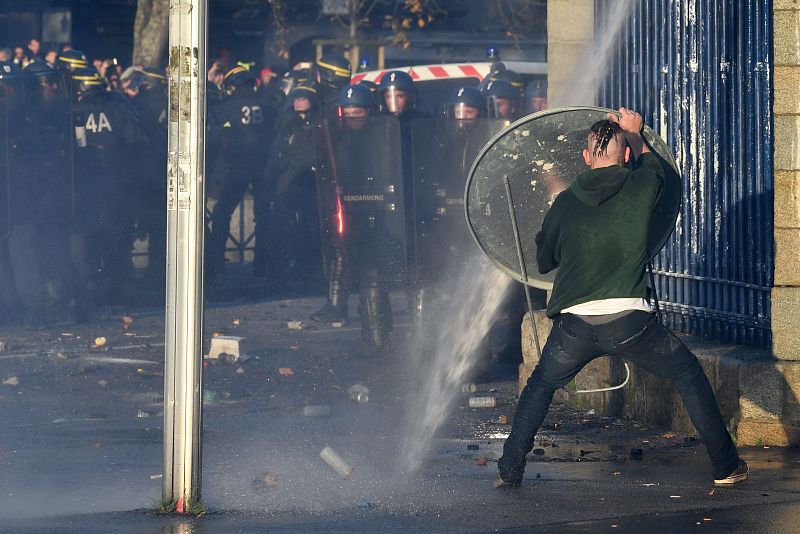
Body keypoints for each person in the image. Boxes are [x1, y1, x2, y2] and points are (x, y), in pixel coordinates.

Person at [495, 107, 748, 488]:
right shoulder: (641, 185)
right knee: (688, 374)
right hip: (630, 322)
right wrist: (635, 132)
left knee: (540, 386)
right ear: (625, 155)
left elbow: (544, 261)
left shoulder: (564, 203)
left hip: (575, 325)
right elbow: (657, 169)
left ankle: (510, 470)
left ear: (585, 158)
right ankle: (726, 467)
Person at [205, 65, 277, 285]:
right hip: (263, 168)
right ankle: (262, 264)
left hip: (237, 168)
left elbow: (215, 141)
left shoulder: (226, 107)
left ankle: (217, 265)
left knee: (222, 213)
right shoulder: (269, 106)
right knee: (264, 218)